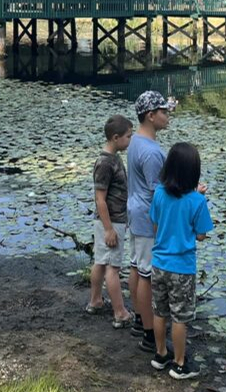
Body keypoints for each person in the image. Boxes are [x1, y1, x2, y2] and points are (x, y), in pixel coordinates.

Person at [148, 142, 213, 380]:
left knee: (160, 311)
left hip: (158, 264)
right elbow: (201, 234)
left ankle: (161, 354)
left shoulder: (159, 194)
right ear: (193, 173)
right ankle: (179, 363)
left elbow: (156, 225)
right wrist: (198, 197)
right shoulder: (197, 201)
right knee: (180, 317)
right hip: (182, 269)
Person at [126, 90, 174, 353]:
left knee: (136, 266)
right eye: (164, 111)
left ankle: (138, 318)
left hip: (135, 211)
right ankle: (148, 332)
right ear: (151, 115)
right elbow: (158, 193)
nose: (168, 116)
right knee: (146, 274)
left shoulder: (134, 141)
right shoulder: (153, 152)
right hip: (147, 218)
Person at [86, 115, 135, 328]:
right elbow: (100, 199)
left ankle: (95, 301)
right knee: (113, 267)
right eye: (128, 136)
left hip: (110, 221)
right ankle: (120, 312)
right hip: (111, 221)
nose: (130, 140)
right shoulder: (105, 163)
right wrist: (109, 229)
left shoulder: (113, 158)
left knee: (100, 261)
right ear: (115, 138)